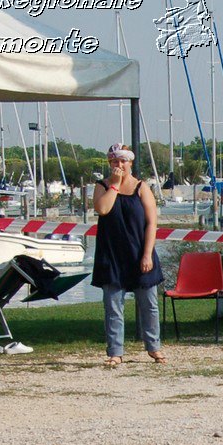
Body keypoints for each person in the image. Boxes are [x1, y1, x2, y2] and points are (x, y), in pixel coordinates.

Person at [91, 144, 164, 366]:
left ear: (130, 162)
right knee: (113, 306)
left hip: (139, 253)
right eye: (114, 161)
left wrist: (147, 254)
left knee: (149, 304)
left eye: (122, 161)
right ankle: (115, 351)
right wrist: (114, 185)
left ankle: (154, 347)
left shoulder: (141, 187)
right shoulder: (102, 186)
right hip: (111, 255)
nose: (119, 165)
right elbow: (102, 209)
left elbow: (151, 223)